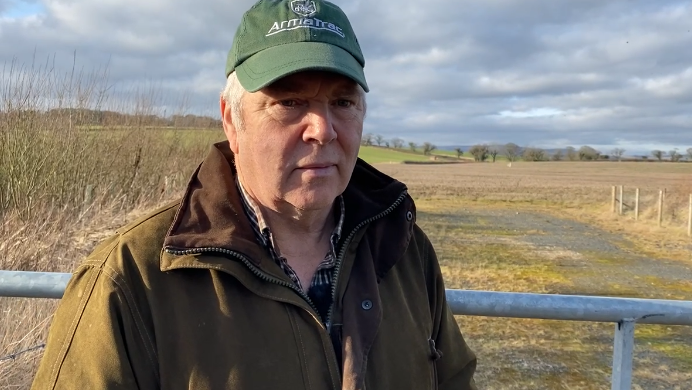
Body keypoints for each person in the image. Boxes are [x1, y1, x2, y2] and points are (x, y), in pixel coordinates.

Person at [31, 0, 477, 388]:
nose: (322, 130)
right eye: (289, 102)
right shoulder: (133, 278)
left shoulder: (405, 250)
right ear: (231, 119)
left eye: (342, 103)